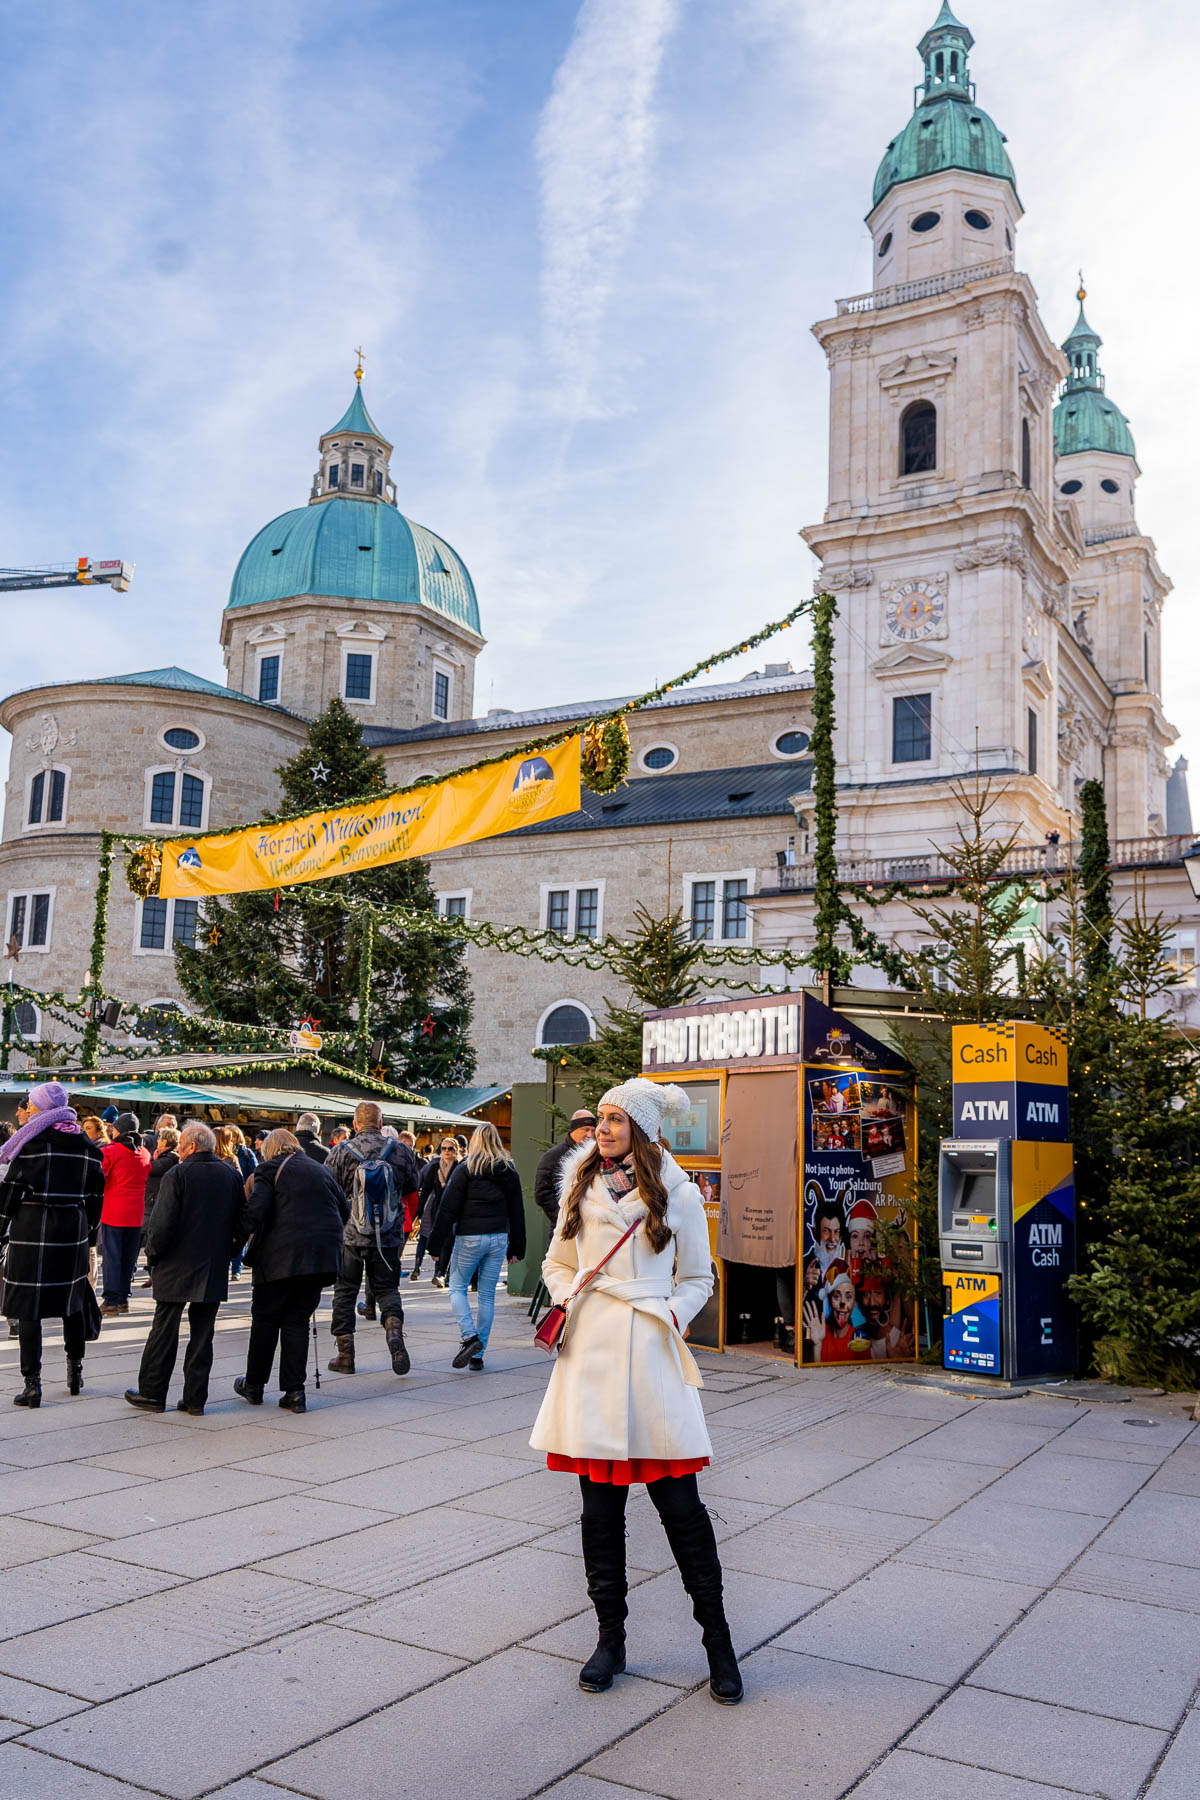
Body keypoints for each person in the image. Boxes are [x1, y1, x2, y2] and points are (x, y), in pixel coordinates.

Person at [531, 1079, 741, 1705]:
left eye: (619, 1120)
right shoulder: (579, 1183)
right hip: (590, 1359)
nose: (605, 1127)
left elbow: (699, 1277)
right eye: (603, 1117)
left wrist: (667, 1317)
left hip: (650, 1358)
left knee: (682, 1511)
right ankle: (610, 1640)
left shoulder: (677, 1191)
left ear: (644, 1130)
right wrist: (573, 1299)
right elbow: (556, 1262)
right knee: (600, 1514)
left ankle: (719, 1645)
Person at [124, 1123, 244, 1415]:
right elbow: (244, 1222)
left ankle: (153, 1393)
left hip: (176, 1263)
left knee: (164, 1331)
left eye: (180, 1146)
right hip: (212, 1264)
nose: (177, 1150)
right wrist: (229, 1253)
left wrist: (152, 1256)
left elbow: (162, 1224)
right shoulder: (230, 1174)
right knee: (203, 1335)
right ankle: (195, 1399)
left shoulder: (177, 1174)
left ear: (191, 1146)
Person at [0, 1082, 103, 1405]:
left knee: (28, 1309)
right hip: (71, 1232)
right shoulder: (87, 1147)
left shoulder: (30, 1145)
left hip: (32, 1232)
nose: (27, 1110)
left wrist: (0, 1231)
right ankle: (75, 1372)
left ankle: (32, 1385)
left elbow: (9, 1196)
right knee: (73, 1304)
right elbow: (97, 1198)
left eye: (31, 1105)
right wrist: (87, 1231)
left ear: (43, 1109)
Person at [234, 1127, 349, 1412]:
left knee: (265, 1320)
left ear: (269, 1150)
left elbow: (257, 1210)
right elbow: (344, 1210)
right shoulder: (320, 1170)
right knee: (297, 1321)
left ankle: (254, 1385)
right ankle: (295, 1392)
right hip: (319, 1259)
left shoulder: (269, 1169)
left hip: (278, 1258)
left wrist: (234, 1237)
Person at [325, 1101, 418, 1377]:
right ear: (381, 1123)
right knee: (388, 1290)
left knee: (345, 1292)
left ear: (355, 1125)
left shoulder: (340, 1152)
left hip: (351, 1235)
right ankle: (393, 1334)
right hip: (388, 1235)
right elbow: (412, 1186)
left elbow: (329, 1190)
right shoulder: (401, 1150)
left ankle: (345, 1355)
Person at [428, 1123, 525, 1371]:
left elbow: (447, 1209)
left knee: (457, 1287)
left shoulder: (465, 1169)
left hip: (470, 1236)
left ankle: (469, 1336)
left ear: (474, 1142)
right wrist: (517, 1246)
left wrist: (435, 1245)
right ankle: (477, 1353)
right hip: (498, 1237)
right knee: (487, 1295)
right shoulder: (508, 1171)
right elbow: (517, 1211)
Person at [99, 1113, 150, 1314]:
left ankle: (110, 1300)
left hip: (113, 1212)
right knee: (129, 1258)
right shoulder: (144, 1152)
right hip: (136, 1213)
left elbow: (99, 1176)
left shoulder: (111, 1151)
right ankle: (123, 1299)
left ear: (118, 1130)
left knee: (112, 1258)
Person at [534, 1110, 596, 1235]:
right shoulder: (553, 1156)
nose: (590, 1135)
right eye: (585, 1129)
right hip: (564, 1228)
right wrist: (564, 1217)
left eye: (593, 1130)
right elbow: (542, 1193)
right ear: (574, 1129)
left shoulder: (596, 1155)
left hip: (592, 1229)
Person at [410, 1136, 460, 1280]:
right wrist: (419, 1212)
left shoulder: (459, 1168)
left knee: (447, 1241)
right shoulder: (434, 1167)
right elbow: (425, 1190)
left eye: (450, 1148)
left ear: (455, 1151)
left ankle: (440, 1273)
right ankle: (434, 1271)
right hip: (436, 1208)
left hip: (453, 1210)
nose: (447, 1151)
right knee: (433, 1239)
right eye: (444, 1148)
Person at [139, 1127, 180, 1287]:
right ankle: (152, 1271)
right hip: (151, 1201)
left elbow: (150, 1169)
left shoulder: (169, 1158)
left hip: (155, 1202)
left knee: (152, 1238)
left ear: (166, 1141)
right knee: (150, 1238)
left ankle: (154, 1272)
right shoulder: (162, 1156)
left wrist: (148, 1159)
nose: (157, 1140)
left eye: (160, 1138)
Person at [214, 1126, 252, 1280]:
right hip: (227, 1207)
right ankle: (231, 1269)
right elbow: (239, 1183)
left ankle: (229, 1269)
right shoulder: (232, 1160)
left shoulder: (209, 1158)